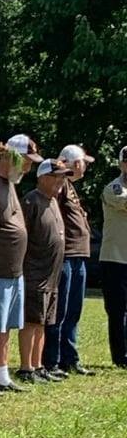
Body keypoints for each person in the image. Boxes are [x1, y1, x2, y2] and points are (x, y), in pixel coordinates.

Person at [0, 133, 39, 393]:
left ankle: (2, 374)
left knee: (6, 326)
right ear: (11, 157)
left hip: (13, 271)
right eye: (26, 161)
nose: (28, 168)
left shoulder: (9, 183)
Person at [17, 159, 70, 382]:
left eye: (63, 177)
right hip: (34, 272)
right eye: (57, 177)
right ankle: (26, 367)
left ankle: (38, 365)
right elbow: (22, 235)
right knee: (31, 321)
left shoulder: (53, 201)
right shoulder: (32, 201)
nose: (61, 181)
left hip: (51, 275)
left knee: (43, 322)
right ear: (43, 178)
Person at [46, 144, 94, 375]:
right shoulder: (61, 183)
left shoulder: (70, 186)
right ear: (75, 163)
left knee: (73, 310)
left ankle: (69, 357)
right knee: (61, 310)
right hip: (67, 255)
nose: (85, 167)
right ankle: (52, 359)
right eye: (84, 162)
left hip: (78, 255)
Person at [101, 146, 127, 368]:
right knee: (118, 311)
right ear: (121, 164)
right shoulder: (114, 188)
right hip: (115, 259)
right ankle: (121, 356)